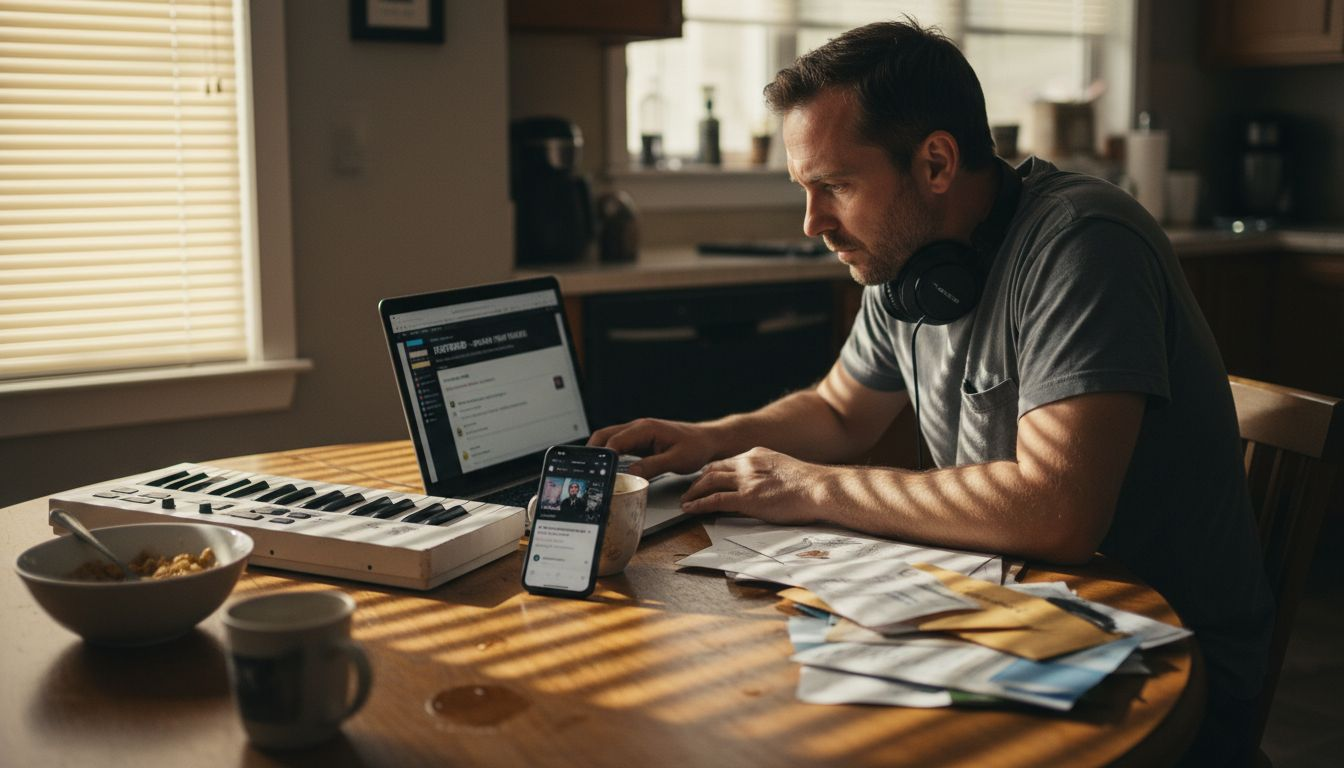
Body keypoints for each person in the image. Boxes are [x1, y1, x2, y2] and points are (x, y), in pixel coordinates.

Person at [590, 20, 1272, 766]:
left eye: (836, 187)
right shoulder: (902, 257)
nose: (814, 223)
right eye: (805, 190)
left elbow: (1058, 511)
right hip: (1017, 621)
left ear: (937, 163)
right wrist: (711, 437)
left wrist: (814, 487)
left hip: (1160, 674)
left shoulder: (1084, 243)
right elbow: (841, 410)